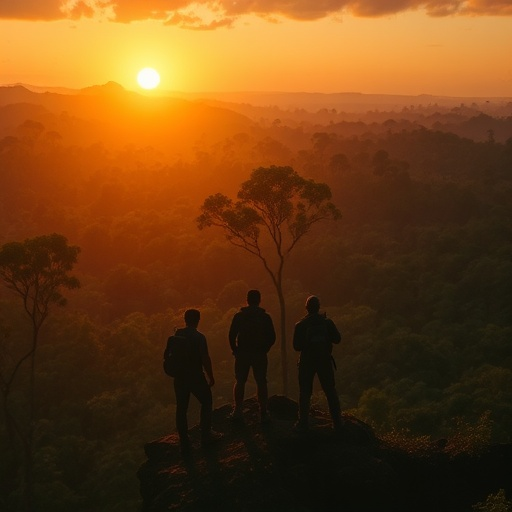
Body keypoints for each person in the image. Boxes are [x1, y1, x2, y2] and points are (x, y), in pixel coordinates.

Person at [167, 309, 222, 452]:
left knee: (181, 408)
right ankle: (206, 435)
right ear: (198, 320)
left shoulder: (177, 334)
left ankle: (184, 442)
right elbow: (205, 358)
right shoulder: (199, 337)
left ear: (185, 319)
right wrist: (211, 376)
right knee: (206, 401)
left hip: (179, 377)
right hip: (195, 376)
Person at [293, 295, 343, 431]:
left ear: (306, 308)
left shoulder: (301, 325)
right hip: (324, 360)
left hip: (306, 362)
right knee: (330, 391)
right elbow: (337, 339)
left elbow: (296, 346)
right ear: (319, 307)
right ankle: (337, 423)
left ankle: (303, 423)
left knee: (304, 392)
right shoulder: (327, 323)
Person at [229, 289, 276, 422]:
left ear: (247, 300)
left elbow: (231, 335)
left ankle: (238, 410)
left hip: (242, 353)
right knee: (261, 381)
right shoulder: (265, 317)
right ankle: (264, 411)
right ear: (259, 300)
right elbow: (272, 337)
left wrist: (235, 350)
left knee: (240, 381)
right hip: (259, 353)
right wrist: (265, 349)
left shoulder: (239, 316)